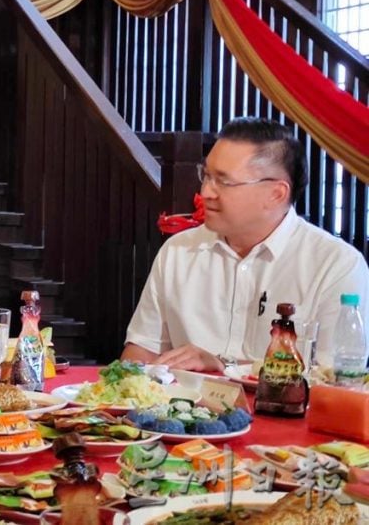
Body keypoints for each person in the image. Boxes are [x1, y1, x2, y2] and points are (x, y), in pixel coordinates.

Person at [122, 117, 368, 372]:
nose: (206, 192)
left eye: (223, 181)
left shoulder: (336, 265)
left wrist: (222, 367)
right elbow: (141, 352)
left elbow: (334, 379)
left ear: (276, 194)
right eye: (206, 176)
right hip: (182, 409)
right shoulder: (178, 251)